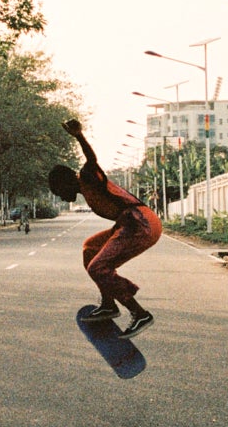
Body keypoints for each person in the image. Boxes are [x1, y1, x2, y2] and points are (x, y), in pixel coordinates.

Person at [48, 118, 161, 337]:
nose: (61, 197)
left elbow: (91, 159)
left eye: (59, 191)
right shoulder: (84, 190)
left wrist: (79, 135)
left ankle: (140, 313)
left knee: (97, 268)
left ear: (66, 182)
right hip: (131, 223)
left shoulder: (87, 177)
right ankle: (109, 304)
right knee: (90, 249)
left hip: (141, 223)